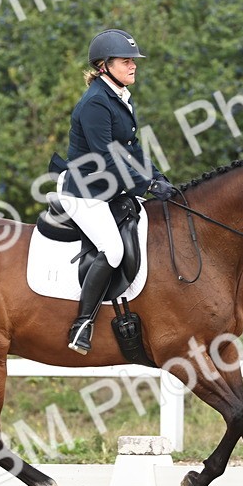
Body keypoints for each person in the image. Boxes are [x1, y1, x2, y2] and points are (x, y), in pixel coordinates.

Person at [55, 28, 175, 355]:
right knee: (113, 249)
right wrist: (145, 186)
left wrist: (160, 179)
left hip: (109, 187)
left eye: (133, 61)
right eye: (126, 61)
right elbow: (106, 159)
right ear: (104, 65)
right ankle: (82, 323)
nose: (133, 66)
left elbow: (132, 152)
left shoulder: (119, 97)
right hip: (84, 191)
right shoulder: (95, 103)